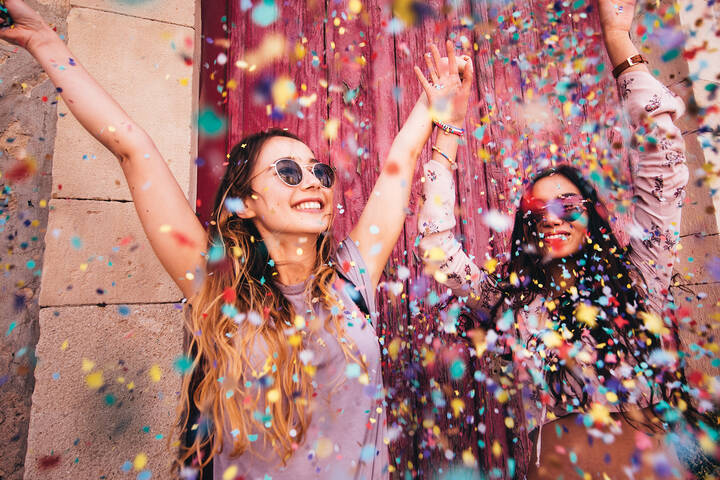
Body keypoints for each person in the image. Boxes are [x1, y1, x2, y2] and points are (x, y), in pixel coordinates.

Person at [0, 0, 476, 477]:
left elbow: (402, 162)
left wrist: (441, 114)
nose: (312, 181)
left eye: (319, 170)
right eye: (288, 171)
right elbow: (132, 148)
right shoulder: (216, 289)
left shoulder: (351, 280)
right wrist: (44, 41)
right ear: (245, 202)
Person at [417, 0, 716, 478]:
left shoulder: (642, 279)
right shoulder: (510, 303)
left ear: (592, 215)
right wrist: (448, 129)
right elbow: (436, 250)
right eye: (537, 212)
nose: (553, 220)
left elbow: (664, 158)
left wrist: (618, 38)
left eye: (568, 207)